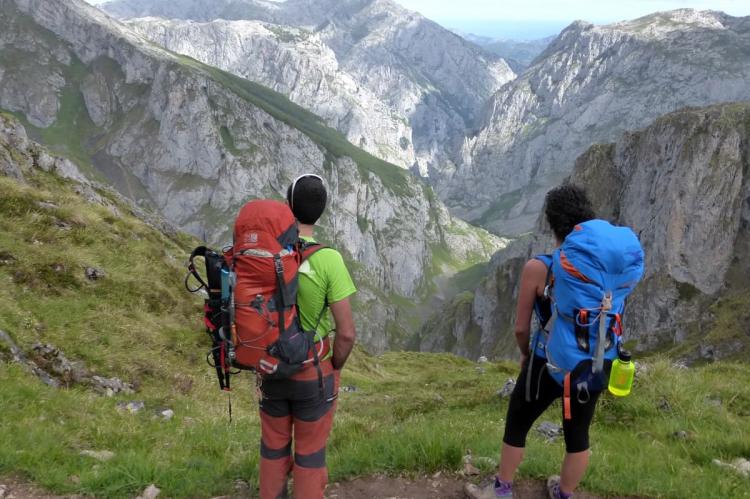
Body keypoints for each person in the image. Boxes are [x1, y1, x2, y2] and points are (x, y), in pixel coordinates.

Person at [495, 185, 598, 499]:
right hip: (587, 364)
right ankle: (564, 493)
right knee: (577, 434)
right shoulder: (601, 269)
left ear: (550, 224)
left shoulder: (539, 267)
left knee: (518, 423)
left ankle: (501, 490)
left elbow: (520, 329)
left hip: (545, 362)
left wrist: (526, 355)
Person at [258, 174, 357, 499]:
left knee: (273, 447)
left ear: (288, 206)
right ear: (322, 211)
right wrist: (335, 366)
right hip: (314, 373)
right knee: (310, 452)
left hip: (271, 367)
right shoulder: (329, 259)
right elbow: (346, 334)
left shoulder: (268, 254)